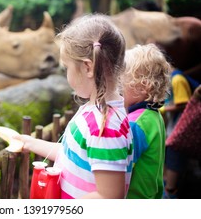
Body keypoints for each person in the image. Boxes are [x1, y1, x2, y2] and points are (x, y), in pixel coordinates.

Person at [15, 14, 133, 199]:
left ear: (87, 67)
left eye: (66, 68)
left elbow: (109, 198)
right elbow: (71, 154)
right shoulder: (92, 111)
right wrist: (29, 143)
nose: (66, 74)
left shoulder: (105, 129)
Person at [122, 44, 171, 198]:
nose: (117, 89)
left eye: (120, 83)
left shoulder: (135, 124)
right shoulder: (154, 115)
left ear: (143, 87)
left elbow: (120, 166)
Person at [161, 68, 200, 198]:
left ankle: (170, 192)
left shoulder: (177, 79)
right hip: (175, 127)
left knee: (174, 157)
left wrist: (164, 108)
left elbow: (184, 103)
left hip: (180, 128)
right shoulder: (174, 78)